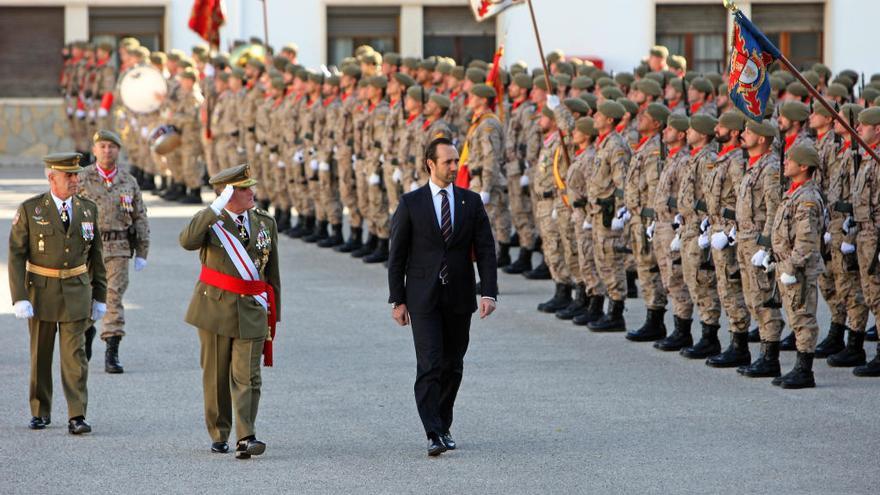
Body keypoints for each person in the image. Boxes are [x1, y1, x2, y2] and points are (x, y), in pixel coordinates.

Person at [387, 137, 498, 456]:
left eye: (456, 161)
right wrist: (398, 299)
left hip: (460, 295)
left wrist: (488, 291)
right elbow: (397, 254)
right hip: (422, 296)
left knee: (453, 364)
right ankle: (433, 431)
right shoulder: (412, 203)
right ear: (430, 164)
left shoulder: (470, 201)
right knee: (430, 363)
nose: (454, 167)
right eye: (448, 161)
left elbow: (486, 249)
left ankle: (443, 422)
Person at [179, 163, 281, 458]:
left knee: (248, 375)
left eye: (251, 186)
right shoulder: (211, 221)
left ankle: (246, 436)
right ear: (228, 193)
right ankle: (219, 432)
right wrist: (215, 208)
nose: (253, 192)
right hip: (214, 308)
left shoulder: (264, 222)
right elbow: (187, 241)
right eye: (245, 188)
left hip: (251, 309)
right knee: (216, 375)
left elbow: (272, 274)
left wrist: (275, 315)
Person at [8, 152, 107, 434]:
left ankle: (77, 414)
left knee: (75, 356)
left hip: (77, 291)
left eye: (77, 175)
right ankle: (40, 411)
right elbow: (16, 255)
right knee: (40, 355)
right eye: (69, 176)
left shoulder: (88, 209)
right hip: (41, 292)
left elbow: (96, 256)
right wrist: (20, 296)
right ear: (52, 178)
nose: (76, 180)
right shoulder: (31, 210)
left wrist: (100, 295)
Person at [78, 131, 150, 373]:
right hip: (88, 248)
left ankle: (112, 349)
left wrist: (142, 251)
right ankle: (86, 334)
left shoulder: (128, 181)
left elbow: (140, 216)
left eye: (112, 147)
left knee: (113, 297)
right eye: (103, 146)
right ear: (95, 150)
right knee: (86, 296)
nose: (107, 151)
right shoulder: (81, 178)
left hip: (118, 247)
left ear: (118, 150)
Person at [769, 145, 825, 388]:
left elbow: (806, 240)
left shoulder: (807, 198)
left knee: (803, 317)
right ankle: (799, 368)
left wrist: (791, 268)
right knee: (795, 315)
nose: (785, 163)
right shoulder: (794, 193)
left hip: (799, 268)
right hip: (787, 264)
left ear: (804, 167)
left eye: (790, 160)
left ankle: (805, 371)